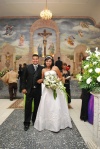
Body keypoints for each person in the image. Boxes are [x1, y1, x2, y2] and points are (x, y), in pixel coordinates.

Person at [34, 56, 72, 132]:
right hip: (47, 90)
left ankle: (58, 123)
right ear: (45, 62)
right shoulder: (43, 70)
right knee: (47, 105)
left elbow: (61, 77)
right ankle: (47, 123)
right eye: (47, 61)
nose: (48, 62)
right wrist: (46, 82)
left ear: (52, 62)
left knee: (56, 105)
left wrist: (55, 82)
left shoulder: (55, 68)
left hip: (55, 89)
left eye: (50, 61)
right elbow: (43, 79)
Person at [22, 54, 43, 131]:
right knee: (28, 107)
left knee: (37, 106)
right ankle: (26, 123)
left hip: (38, 91)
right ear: (32, 60)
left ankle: (35, 121)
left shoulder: (42, 68)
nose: (35, 60)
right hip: (29, 90)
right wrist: (23, 88)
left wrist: (42, 80)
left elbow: (44, 78)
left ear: (38, 60)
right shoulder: (27, 67)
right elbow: (23, 79)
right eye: (34, 59)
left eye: (36, 59)